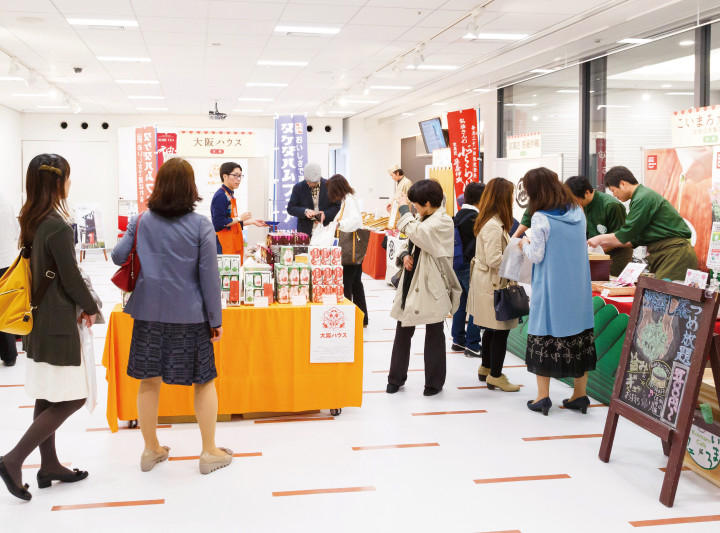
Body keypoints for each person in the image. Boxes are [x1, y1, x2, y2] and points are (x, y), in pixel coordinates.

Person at [112, 158, 232, 475]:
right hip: (191, 316)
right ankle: (208, 452)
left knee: (149, 381)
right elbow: (209, 276)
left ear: (159, 185)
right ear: (190, 188)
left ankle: (150, 450)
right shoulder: (201, 225)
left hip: (147, 313)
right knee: (204, 382)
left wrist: (132, 231)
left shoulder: (141, 220)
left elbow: (117, 256)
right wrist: (215, 319)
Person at [0, 154, 98, 501]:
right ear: (59, 182)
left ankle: (50, 465)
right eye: (68, 177)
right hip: (57, 320)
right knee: (74, 396)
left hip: (37, 318)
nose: (70, 184)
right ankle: (13, 459)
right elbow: (70, 276)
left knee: (47, 392)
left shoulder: (31, 218)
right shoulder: (56, 224)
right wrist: (91, 307)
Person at [519, 167, 596, 416]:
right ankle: (580, 395)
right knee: (580, 337)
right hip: (578, 288)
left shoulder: (541, 217)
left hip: (551, 288)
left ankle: (542, 397)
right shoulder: (578, 211)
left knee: (545, 336)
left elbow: (537, 256)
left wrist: (524, 243)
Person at [387, 180, 461, 397]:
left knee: (435, 334)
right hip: (411, 282)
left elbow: (420, 234)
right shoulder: (421, 217)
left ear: (427, 203)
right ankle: (395, 378)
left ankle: (434, 383)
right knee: (403, 331)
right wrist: (404, 255)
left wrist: (402, 211)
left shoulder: (444, 222)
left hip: (432, 285)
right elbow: (409, 240)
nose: (414, 208)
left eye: (416, 204)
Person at [587, 166, 697, 281]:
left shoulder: (643, 197)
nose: (614, 195)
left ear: (623, 184)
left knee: (667, 296)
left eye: (613, 190)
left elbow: (626, 233)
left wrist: (599, 239)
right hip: (663, 254)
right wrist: (605, 244)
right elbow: (633, 238)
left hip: (674, 253)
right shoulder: (639, 198)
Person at [467, 178, 521, 392]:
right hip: (493, 283)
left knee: (491, 328)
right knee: (500, 329)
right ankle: (496, 375)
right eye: (510, 196)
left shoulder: (491, 220)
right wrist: (518, 252)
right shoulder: (492, 225)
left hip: (489, 282)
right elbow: (493, 259)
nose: (513, 201)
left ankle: (486, 367)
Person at [565, 175, 633, 277]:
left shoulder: (611, 205)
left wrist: (594, 251)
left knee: (610, 286)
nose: (573, 204)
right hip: (595, 253)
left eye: (575, 200)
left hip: (616, 256)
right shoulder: (582, 206)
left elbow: (623, 238)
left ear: (587, 193)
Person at [326, 174, 369, 327]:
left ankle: (349, 318)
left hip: (349, 252)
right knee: (356, 284)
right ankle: (362, 318)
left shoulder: (349, 201)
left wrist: (339, 224)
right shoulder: (347, 200)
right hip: (353, 252)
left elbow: (354, 221)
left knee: (347, 284)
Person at [452, 181, 485, 357]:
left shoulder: (458, 215)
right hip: (470, 265)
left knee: (461, 302)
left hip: (456, 264)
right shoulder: (476, 218)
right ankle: (473, 343)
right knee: (475, 304)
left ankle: (458, 339)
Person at [210, 161, 265, 257]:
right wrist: (240, 218)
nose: (238, 179)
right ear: (225, 176)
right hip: (223, 245)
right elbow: (219, 224)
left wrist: (252, 222)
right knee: (225, 272)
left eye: (240, 176)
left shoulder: (229, 194)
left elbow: (231, 223)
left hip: (232, 243)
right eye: (235, 175)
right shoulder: (221, 196)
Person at [287, 162, 341, 236]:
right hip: (305, 232)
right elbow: (291, 208)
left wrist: (325, 214)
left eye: (312, 182)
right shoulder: (298, 187)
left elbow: (337, 206)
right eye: (307, 181)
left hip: (326, 230)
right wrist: (305, 211)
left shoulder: (330, 186)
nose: (309, 184)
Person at [0, 192, 20, 367]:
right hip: (8, 262)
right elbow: (17, 232)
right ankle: (9, 354)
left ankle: (9, 353)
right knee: (5, 308)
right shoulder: (6, 202)